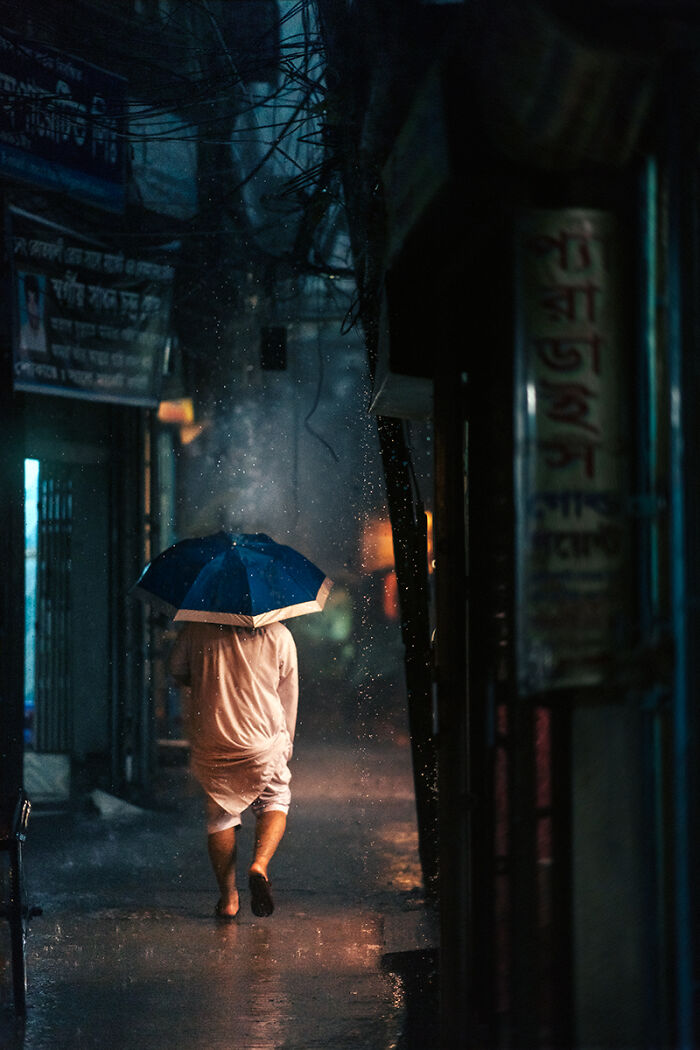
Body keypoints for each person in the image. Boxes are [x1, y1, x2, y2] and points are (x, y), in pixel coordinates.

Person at [167, 620, 298, 921]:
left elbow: (177, 671)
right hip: (262, 741)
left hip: (213, 739)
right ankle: (259, 865)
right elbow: (288, 694)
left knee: (220, 816)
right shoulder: (280, 634)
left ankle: (228, 899)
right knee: (275, 800)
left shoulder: (195, 629)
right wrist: (285, 742)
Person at [18, 273, 48, 359]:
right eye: (29, 300)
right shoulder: (23, 330)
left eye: (34, 300)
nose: (32, 305)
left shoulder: (47, 331)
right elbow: (23, 356)